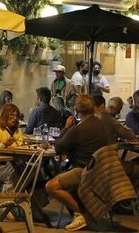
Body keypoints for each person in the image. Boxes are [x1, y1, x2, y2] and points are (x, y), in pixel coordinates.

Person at [45, 95, 113, 231]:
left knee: (51, 186)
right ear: (93, 108)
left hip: (84, 171)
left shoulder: (78, 129)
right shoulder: (100, 124)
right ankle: (81, 214)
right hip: (101, 169)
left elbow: (58, 147)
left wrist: (66, 128)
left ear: (76, 110)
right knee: (64, 179)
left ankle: (82, 214)